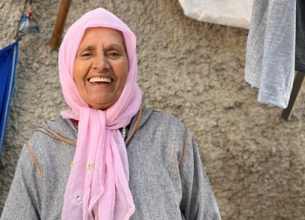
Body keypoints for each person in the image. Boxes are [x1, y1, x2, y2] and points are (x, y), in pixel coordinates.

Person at [0, 8, 221, 220]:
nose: (101, 64)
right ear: (69, 66)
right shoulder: (43, 148)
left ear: (130, 64)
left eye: (114, 53)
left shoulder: (170, 136)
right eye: (86, 54)